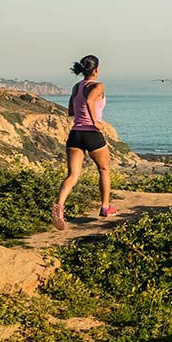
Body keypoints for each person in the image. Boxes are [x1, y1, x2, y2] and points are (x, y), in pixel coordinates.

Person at [53, 54, 115, 229]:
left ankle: (59, 205)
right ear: (96, 70)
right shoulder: (99, 85)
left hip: (75, 135)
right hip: (92, 134)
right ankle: (105, 207)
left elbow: (71, 111)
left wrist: (83, 110)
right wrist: (95, 121)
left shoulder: (76, 87)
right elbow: (89, 100)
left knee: (72, 176)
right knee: (103, 169)